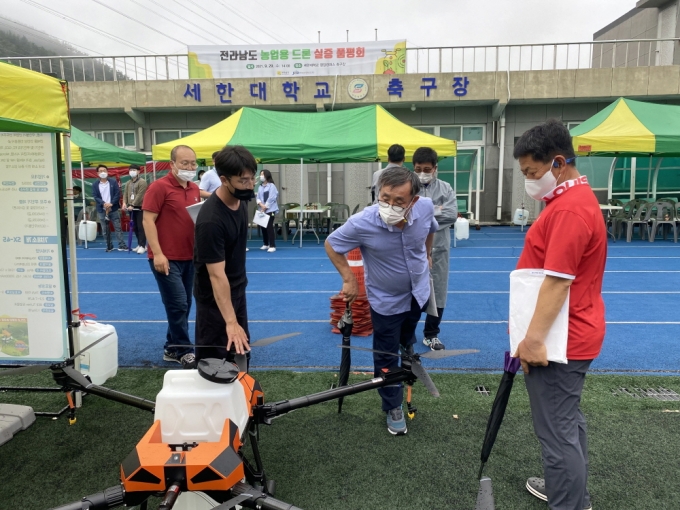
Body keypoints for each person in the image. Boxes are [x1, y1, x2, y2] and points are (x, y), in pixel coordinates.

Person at [513, 119, 606, 510]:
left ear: (557, 163)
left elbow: (557, 281)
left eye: (531, 173)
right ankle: (572, 494)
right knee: (566, 422)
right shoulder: (570, 201)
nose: (529, 182)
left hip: (560, 337)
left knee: (556, 433)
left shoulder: (568, 210)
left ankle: (568, 501)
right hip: (569, 331)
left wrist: (533, 339)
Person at [326, 167, 437, 436]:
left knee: (407, 337)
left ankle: (407, 345)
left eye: (399, 201)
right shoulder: (362, 222)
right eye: (384, 198)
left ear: (413, 201)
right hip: (385, 301)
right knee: (386, 354)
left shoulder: (425, 208)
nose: (389, 205)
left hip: (418, 293)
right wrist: (349, 279)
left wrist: (427, 253)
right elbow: (332, 244)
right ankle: (392, 406)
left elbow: (430, 229)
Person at [194, 146, 255, 367]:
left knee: (240, 353)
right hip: (213, 299)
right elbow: (216, 276)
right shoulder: (211, 221)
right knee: (214, 363)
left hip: (237, 289)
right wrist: (230, 321)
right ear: (224, 180)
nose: (249, 185)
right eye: (243, 181)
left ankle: (240, 399)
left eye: (252, 179)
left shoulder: (241, 200)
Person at [142, 145, 201, 368]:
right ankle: (184, 350)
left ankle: (171, 347)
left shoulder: (194, 188)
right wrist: (157, 253)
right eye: (184, 163)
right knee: (177, 304)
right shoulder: (159, 188)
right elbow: (148, 220)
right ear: (173, 164)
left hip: (190, 257)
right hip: (166, 257)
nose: (189, 167)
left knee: (185, 304)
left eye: (193, 163)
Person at [413, 147, 457, 351]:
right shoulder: (407, 187)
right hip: (412, 250)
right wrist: (434, 209)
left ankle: (431, 334)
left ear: (435, 168)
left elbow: (451, 214)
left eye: (427, 169)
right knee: (409, 291)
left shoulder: (445, 188)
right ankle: (406, 334)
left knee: (438, 290)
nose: (423, 173)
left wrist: (422, 212)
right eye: (418, 168)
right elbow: (403, 214)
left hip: (439, 248)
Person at [92, 164, 127, 252]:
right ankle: (109, 245)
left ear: (107, 172)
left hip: (113, 208)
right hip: (102, 209)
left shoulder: (113, 182)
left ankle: (122, 245)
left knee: (117, 227)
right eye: (100, 171)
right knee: (105, 229)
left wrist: (111, 203)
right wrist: (103, 203)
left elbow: (117, 194)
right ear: (97, 173)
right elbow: (95, 196)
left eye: (104, 170)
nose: (103, 172)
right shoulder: (95, 184)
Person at [122, 164, 148, 254]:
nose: (132, 172)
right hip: (130, 208)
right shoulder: (128, 183)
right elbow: (125, 193)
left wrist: (133, 204)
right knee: (135, 227)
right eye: (131, 170)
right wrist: (124, 203)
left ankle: (143, 245)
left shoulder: (142, 182)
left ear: (138, 171)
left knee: (141, 227)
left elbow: (140, 195)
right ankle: (140, 244)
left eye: (134, 170)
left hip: (140, 207)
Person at [256, 169, 279, 253]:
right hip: (262, 209)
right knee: (263, 227)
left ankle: (272, 245)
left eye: (262, 174)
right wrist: (260, 205)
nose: (261, 176)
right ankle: (265, 243)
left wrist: (265, 206)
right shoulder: (260, 186)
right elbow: (258, 197)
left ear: (267, 176)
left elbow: (272, 197)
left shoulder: (271, 186)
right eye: (260, 174)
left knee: (269, 227)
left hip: (270, 209)